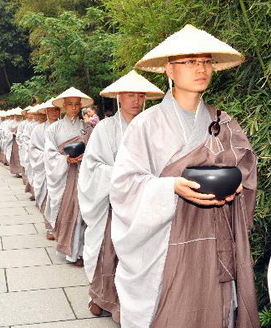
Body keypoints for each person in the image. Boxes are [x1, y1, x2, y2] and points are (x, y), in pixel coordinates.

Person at [110, 24, 259, 327]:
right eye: (190, 62)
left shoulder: (223, 121)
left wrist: (237, 185)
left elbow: (245, 167)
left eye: (205, 62)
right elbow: (124, 185)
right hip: (167, 244)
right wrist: (170, 188)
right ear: (169, 69)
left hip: (215, 235)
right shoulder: (146, 125)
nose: (201, 68)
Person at [78, 70, 164, 321]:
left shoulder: (152, 128)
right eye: (130, 95)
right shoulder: (104, 129)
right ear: (119, 97)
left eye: (140, 95)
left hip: (143, 204)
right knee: (109, 253)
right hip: (113, 205)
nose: (136, 100)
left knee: (140, 260)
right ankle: (102, 298)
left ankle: (135, 308)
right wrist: (125, 174)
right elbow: (92, 167)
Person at [45, 87, 94, 266]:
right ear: (64, 106)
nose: (73, 108)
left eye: (76, 105)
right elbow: (49, 154)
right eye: (70, 105)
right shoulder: (54, 128)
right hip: (65, 177)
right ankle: (69, 250)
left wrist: (85, 157)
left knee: (83, 213)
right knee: (68, 211)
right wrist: (65, 159)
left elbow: (96, 150)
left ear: (80, 106)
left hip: (83, 173)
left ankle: (81, 251)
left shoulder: (87, 128)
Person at [28, 99, 59, 240]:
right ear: (46, 111)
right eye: (51, 110)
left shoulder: (63, 127)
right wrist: (49, 156)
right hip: (46, 170)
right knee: (48, 197)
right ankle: (50, 227)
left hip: (63, 169)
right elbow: (33, 149)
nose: (54, 112)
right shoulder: (38, 130)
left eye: (56, 109)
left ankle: (61, 228)